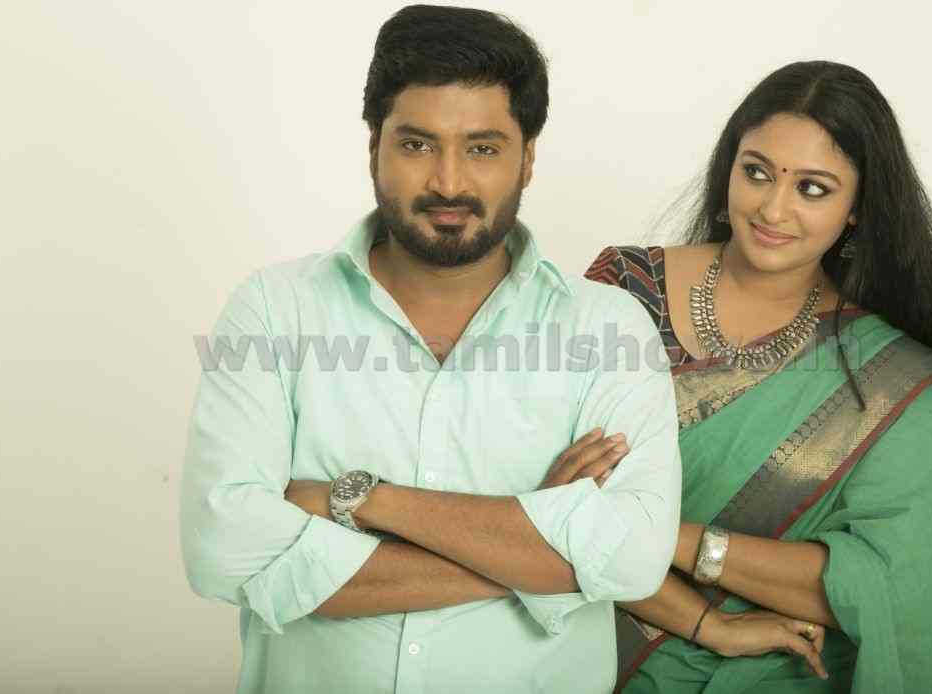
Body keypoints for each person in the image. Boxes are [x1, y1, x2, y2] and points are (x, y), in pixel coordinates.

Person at [178, 6, 690, 693]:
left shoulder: (607, 330)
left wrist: (362, 501)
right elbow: (225, 553)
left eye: (482, 148)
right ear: (374, 147)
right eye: (417, 145)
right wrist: (533, 544)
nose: (449, 182)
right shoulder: (274, 310)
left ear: (528, 158)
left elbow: (632, 562)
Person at [582, 61, 932, 693]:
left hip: (779, 669)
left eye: (813, 188)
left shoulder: (884, 373)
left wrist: (669, 539)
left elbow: (884, 583)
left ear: (857, 209)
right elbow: (544, 499)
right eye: (756, 172)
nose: (773, 208)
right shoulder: (626, 291)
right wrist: (704, 616)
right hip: (588, 649)